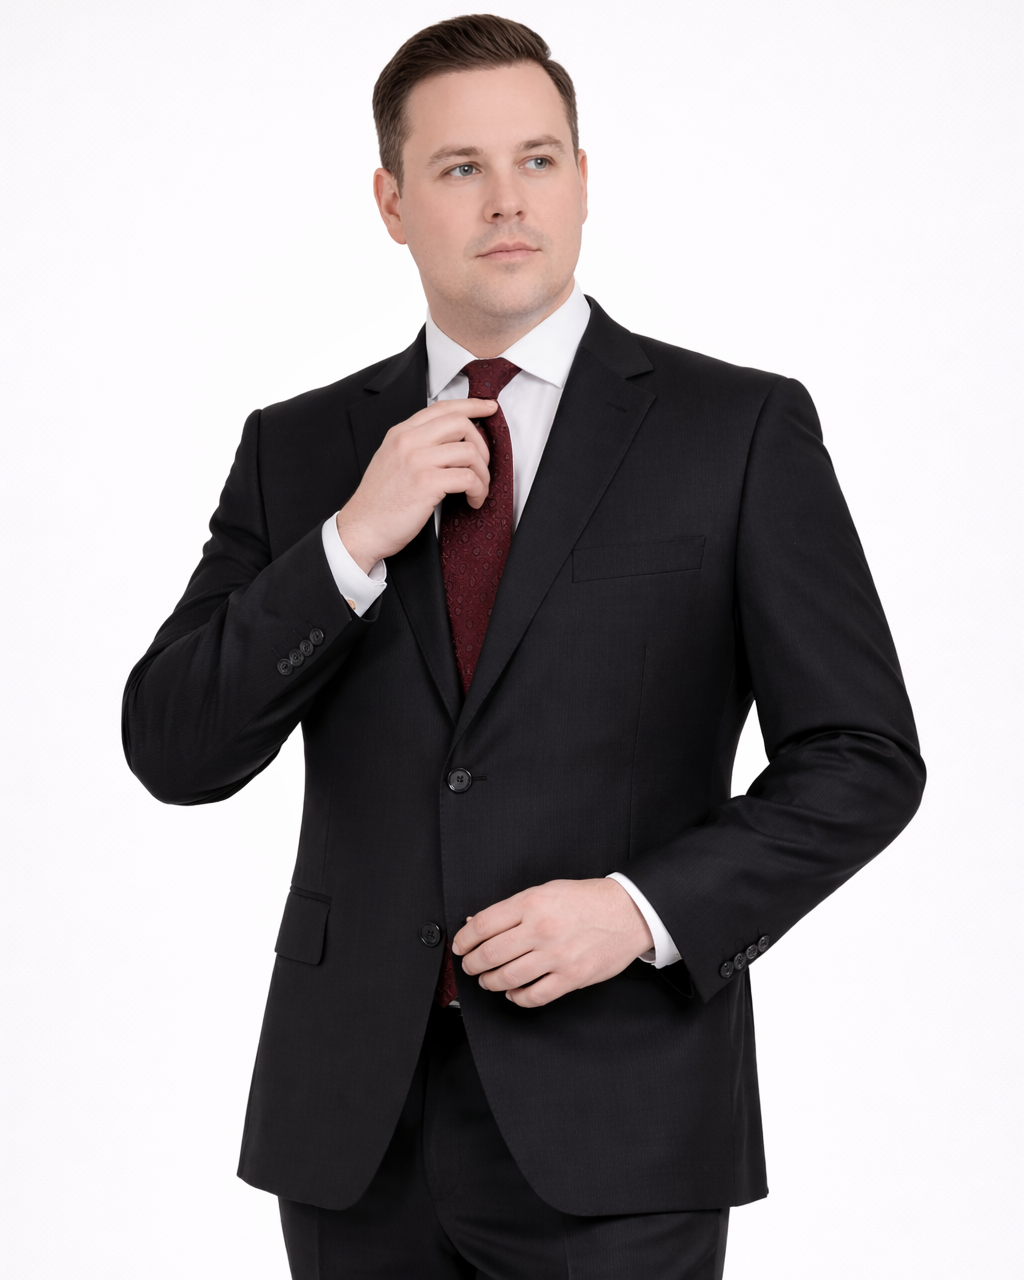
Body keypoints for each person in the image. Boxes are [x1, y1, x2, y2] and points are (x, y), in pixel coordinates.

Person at [122, 14, 925, 1279]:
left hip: (621, 1120)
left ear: (582, 179)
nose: (508, 200)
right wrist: (347, 543)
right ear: (392, 203)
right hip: (352, 1131)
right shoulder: (300, 448)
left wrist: (639, 911)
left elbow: (861, 756)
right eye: (461, 168)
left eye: (537, 160)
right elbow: (175, 746)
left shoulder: (736, 429)